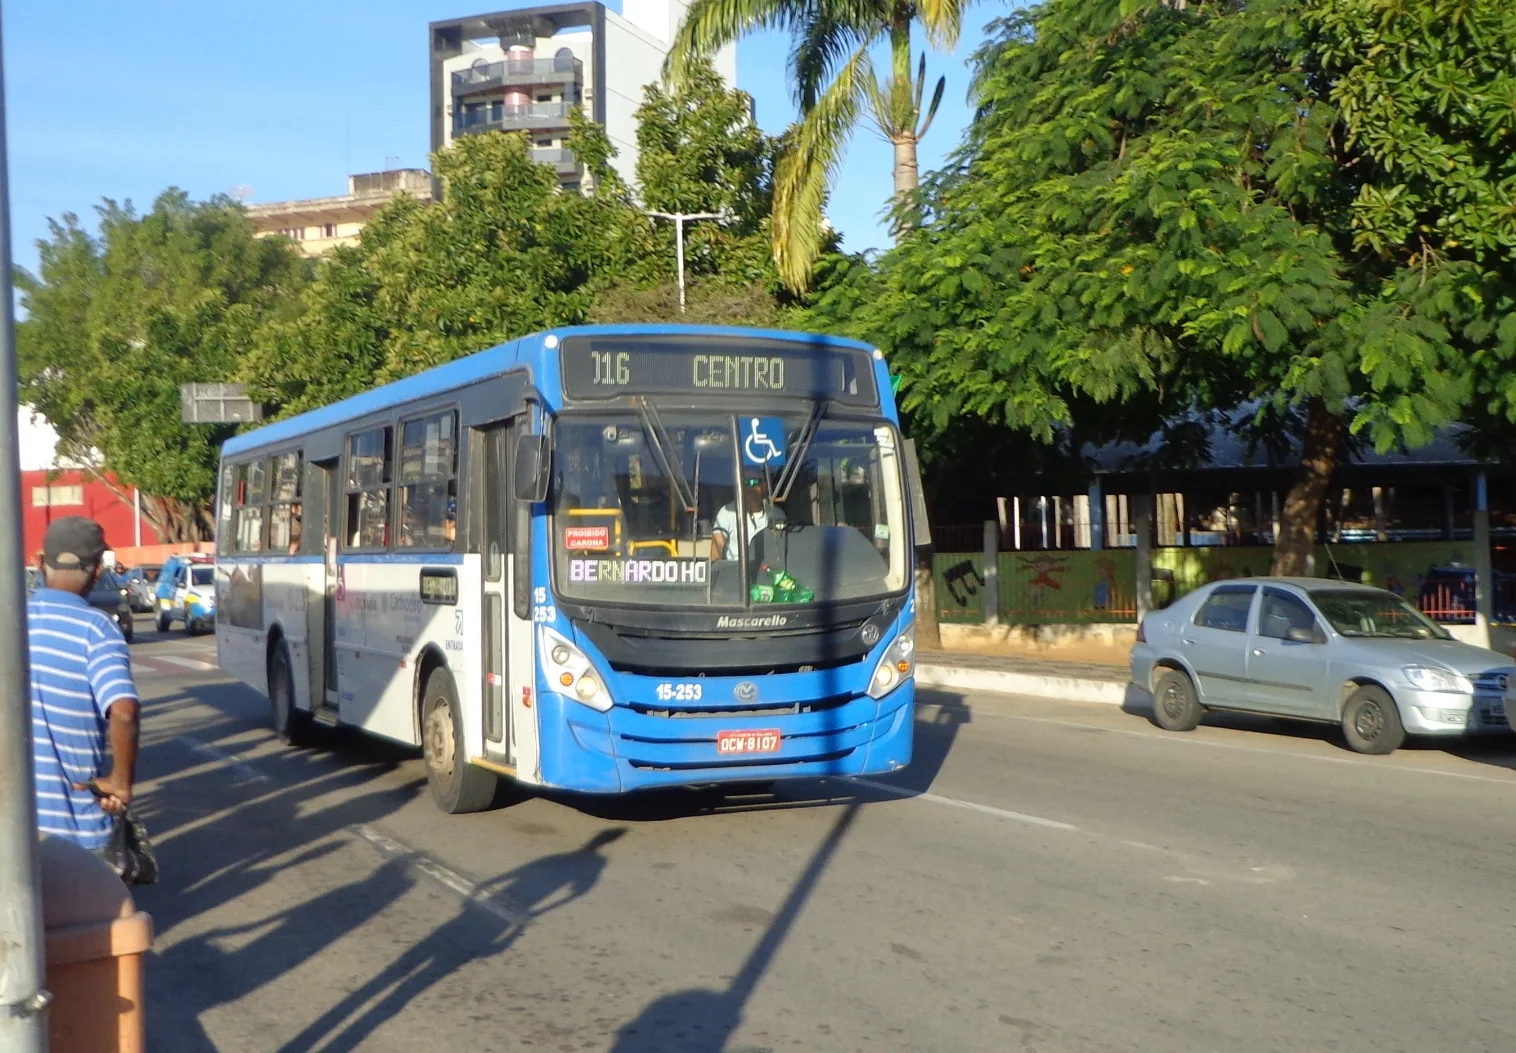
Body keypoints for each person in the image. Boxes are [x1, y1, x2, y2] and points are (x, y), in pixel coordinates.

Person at [28, 516, 140, 854]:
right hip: (73, 836)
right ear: (96, 571)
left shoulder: (9, 619)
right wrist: (120, 781)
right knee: (117, 910)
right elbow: (123, 712)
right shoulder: (96, 630)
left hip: (11, 831)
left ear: (39, 563)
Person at [713, 474, 780, 560]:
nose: (750, 488)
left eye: (754, 482)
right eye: (745, 483)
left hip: (768, 569)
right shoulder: (727, 512)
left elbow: (779, 552)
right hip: (734, 570)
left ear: (764, 486)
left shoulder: (777, 514)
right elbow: (715, 553)